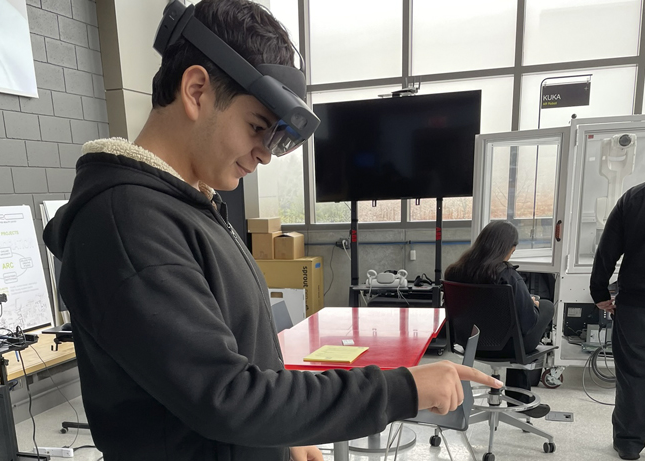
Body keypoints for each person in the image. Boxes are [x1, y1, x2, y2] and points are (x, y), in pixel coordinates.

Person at [43, 1, 501, 460]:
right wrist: (402, 389)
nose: (264, 153)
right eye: (257, 126)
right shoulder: (129, 225)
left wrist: (285, 433)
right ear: (197, 89)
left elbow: (237, 361)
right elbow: (226, 396)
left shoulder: (186, 207)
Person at [445, 220, 554, 418]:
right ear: (509, 248)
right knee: (545, 306)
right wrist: (533, 306)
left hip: (469, 344)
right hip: (507, 346)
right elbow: (527, 322)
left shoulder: (455, 271)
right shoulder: (508, 276)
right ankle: (521, 399)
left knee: (513, 324)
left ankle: (521, 398)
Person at [590, 182, 645, 461]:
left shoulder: (634, 198)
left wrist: (599, 292)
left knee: (633, 374)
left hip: (637, 302)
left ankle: (629, 443)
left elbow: (607, 248)